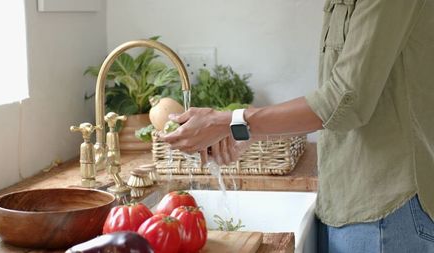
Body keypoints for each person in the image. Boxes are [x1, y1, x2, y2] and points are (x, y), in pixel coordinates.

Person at [160, 0, 434, 252]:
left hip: (387, 210)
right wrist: (242, 131)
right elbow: (335, 107)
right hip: (345, 200)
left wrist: (230, 122)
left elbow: (345, 101)